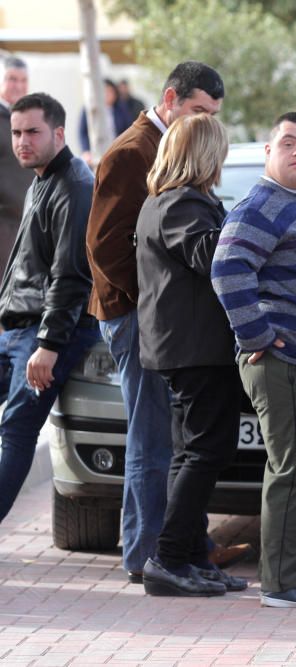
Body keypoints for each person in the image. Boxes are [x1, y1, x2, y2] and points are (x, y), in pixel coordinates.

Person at [84, 62, 244, 584]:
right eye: (198, 112)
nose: (203, 123)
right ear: (171, 99)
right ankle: (151, 554)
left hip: (159, 316)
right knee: (155, 442)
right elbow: (104, 247)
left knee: (177, 444)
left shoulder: (170, 152)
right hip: (138, 316)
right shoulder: (132, 152)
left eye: (212, 115)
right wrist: (149, 300)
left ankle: (180, 548)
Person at [212, 112, 296, 608]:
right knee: (294, 472)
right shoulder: (263, 204)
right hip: (287, 363)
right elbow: (227, 269)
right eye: (288, 142)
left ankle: (294, 578)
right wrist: (259, 334)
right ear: (269, 151)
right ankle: (283, 584)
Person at [134, 113, 245, 597]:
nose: (222, 159)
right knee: (205, 451)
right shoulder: (182, 204)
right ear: (203, 153)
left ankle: (190, 556)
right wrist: (248, 224)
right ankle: (171, 558)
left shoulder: (174, 201)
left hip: (185, 346)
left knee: (190, 453)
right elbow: (212, 258)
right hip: (196, 348)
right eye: (218, 149)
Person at [0, 92, 99, 522]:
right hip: (17, 327)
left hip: (45, 335)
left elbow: (71, 276)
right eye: (17, 133)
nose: (22, 141)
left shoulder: (74, 185)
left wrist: (49, 345)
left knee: (17, 432)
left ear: (59, 132)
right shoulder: (42, 177)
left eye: (32, 132)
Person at [0, 57, 35, 280]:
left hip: (29, 222)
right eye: (12, 79)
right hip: (4, 224)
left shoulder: (30, 119)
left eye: (23, 80)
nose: (18, 85)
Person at [78, 79, 132, 166]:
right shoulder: (89, 109)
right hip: (96, 152)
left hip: (117, 151)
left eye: (110, 91)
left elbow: (128, 129)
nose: (107, 94)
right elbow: (82, 132)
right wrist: (86, 151)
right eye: (104, 91)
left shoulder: (121, 109)